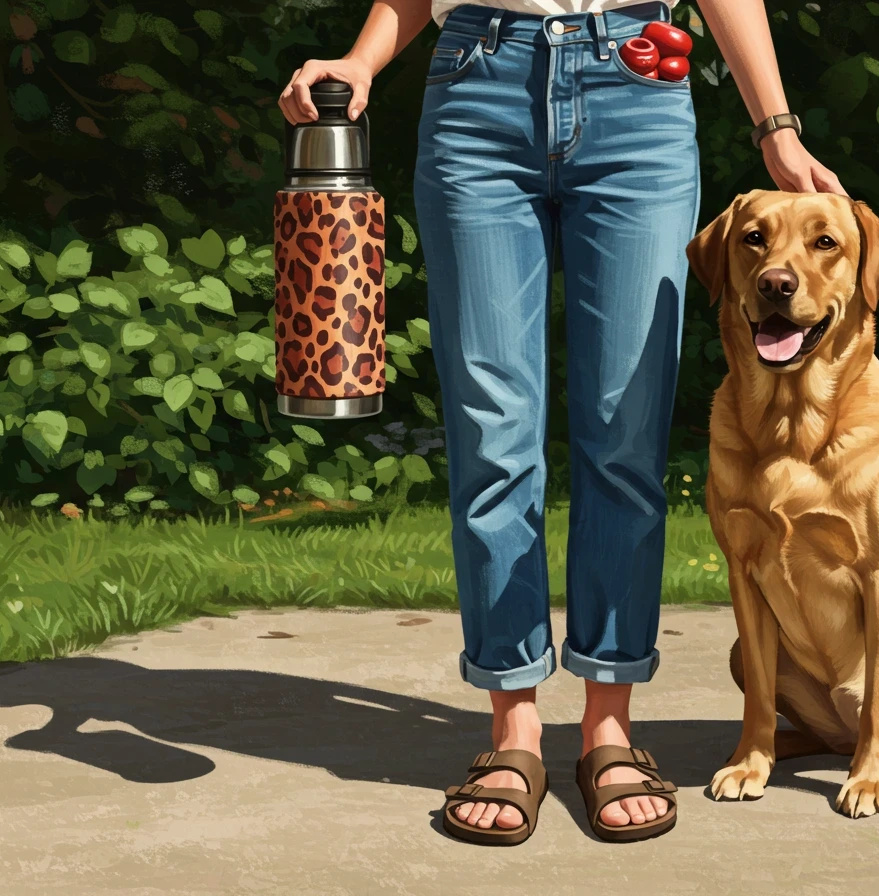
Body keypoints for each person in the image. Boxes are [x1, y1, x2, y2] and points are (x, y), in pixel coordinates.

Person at [280, 0, 846, 845]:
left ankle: (607, 728)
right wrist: (363, 61)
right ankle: (513, 730)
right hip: (478, 82)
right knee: (492, 431)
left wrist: (776, 128)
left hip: (638, 86)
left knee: (625, 431)